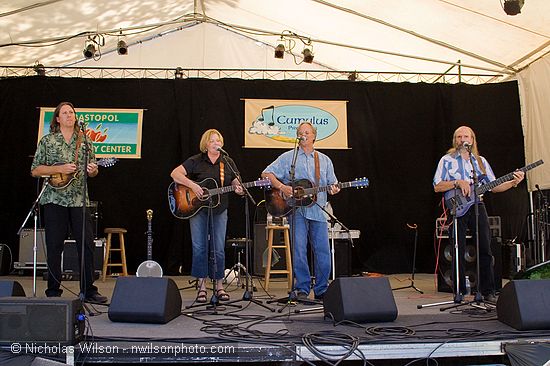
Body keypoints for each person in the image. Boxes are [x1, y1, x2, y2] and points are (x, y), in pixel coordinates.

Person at [433, 125, 524, 302]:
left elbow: (494, 186)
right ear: (455, 140)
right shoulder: (447, 160)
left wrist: (513, 182)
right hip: (457, 207)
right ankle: (459, 291)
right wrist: (457, 182)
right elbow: (437, 186)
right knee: (457, 248)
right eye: (459, 137)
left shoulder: (480, 161)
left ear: (472, 140)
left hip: (477, 205)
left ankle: (487, 291)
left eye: (466, 136)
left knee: (485, 247)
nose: (462, 140)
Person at [31, 102, 107, 303]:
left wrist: (93, 170)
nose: (69, 115)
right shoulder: (48, 141)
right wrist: (60, 169)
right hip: (54, 199)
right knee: (54, 245)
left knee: (86, 244)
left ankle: (88, 289)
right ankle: (53, 290)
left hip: (79, 199)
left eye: (71, 112)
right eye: (64, 113)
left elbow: (94, 169)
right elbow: (35, 170)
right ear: (57, 118)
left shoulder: (86, 141)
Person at [262, 121, 340, 301]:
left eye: (307, 132)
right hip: (296, 211)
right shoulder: (289, 157)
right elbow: (266, 174)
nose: (303, 134)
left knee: (322, 251)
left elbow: (332, 184)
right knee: (298, 250)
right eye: (300, 132)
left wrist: (334, 189)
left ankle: (321, 289)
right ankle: (302, 288)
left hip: (319, 211)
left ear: (314, 136)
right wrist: (282, 186)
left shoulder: (324, 160)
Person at [170, 129, 243, 303]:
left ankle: (219, 286)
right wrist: (193, 186)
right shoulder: (196, 160)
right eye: (212, 141)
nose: (216, 143)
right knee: (200, 247)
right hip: (197, 209)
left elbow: (235, 180)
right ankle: (201, 287)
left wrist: (239, 188)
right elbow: (175, 174)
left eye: (218, 141)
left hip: (220, 209)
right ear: (206, 144)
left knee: (218, 248)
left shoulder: (227, 161)